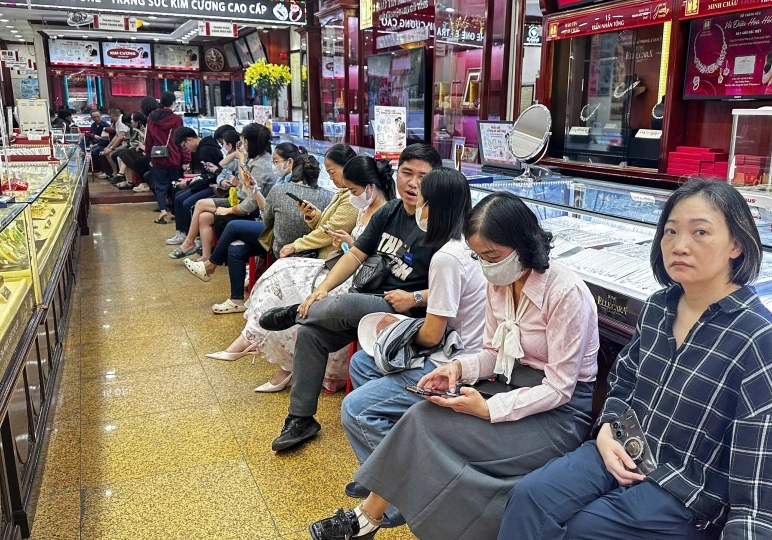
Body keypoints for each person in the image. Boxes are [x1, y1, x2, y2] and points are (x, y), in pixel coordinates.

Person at [499, 179, 772, 540]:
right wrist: (608, 429)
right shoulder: (659, 306)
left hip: (685, 490)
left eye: (700, 232)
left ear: (736, 244)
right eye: (670, 231)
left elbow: (762, 463)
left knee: (582, 530)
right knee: (529, 497)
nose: (679, 245)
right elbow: (624, 380)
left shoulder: (757, 336)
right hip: (627, 448)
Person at [307, 191, 599, 540]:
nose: (486, 266)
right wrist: (457, 370)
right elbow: (492, 353)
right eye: (479, 257)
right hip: (510, 383)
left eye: (492, 256)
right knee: (421, 415)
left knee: (439, 435)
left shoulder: (565, 293)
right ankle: (369, 517)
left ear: (523, 243)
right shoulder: (500, 284)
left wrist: (489, 409)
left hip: (559, 415)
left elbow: (559, 388)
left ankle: (368, 520)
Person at [255, 144, 443, 452]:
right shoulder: (390, 212)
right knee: (312, 333)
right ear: (396, 174)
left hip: (405, 314)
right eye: (407, 173)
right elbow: (356, 254)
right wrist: (322, 289)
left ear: (437, 180)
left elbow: (459, 284)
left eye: (423, 177)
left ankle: (296, 312)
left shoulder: (443, 224)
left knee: (346, 303)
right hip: (368, 300)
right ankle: (301, 419)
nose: (413, 183)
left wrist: (415, 297)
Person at [339, 167, 488, 527]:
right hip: (462, 346)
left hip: (456, 361)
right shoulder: (469, 246)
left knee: (356, 409)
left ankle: (397, 495)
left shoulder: (447, 257)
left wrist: (400, 336)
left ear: (432, 207)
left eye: (421, 200)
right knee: (361, 365)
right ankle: (387, 463)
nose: (416, 206)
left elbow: (432, 336)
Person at [204, 149, 390, 397]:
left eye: (334, 172)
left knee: (287, 279)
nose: (335, 180)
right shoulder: (358, 202)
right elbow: (345, 240)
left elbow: (368, 255)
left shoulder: (380, 211)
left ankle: (264, 347)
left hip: (354, 278)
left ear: (369, 186)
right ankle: (260, 343)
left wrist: (312, 244)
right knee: (282, 273)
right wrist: (335, 234)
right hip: (340, 265)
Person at [183, 129, 333, 315]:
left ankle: (211, 265)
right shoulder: (328, 195)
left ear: (291, 164)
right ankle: (235, 299)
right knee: (235, 248)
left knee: (232, 226)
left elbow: (267, 219)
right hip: (306, 246)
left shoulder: (280, 188)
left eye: (276, 161)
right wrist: (253, 188)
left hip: (280, 243)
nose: (274, 165)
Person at [169, 127, 241, 259]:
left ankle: (192, 240)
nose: (222, 148)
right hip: (221, 187)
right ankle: (198, 248)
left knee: (189, 203)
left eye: (223, 144)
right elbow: (221, 170)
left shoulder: (208, 150)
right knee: (182, 199)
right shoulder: (232, 158)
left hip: (228, 194)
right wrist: (221, 179)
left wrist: (191, 183)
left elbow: (218, 173)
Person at [146, 92, 190, 224]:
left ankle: (163, 210)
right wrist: (186, 159)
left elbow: (148, 139)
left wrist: (149, 157)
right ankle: (176, 212)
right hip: (174, 157)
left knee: (160, 186)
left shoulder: (151, 118)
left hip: (157, 157)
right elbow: (182, 140)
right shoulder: (177, 119)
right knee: (176, 186)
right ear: (173, 103)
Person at [115, 112, 148, 190]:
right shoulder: (136, 129)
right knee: (123, 154)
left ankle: (125, 177)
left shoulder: (144, 128)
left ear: (137, 121)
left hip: (145, 151)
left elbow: (144, 143)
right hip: (139, 148)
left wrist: (142, 139)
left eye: (132, 120)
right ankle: (127, 180)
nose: (131, 121)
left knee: (126, 155)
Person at [98, 108, 129, 181]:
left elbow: (120, 136)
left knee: (111, 153)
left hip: (126, 144)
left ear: (113, 115)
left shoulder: (121, 121)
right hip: (123, 143)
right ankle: (114, 173)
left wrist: (111, 149)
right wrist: (108, 147)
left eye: (110, 116)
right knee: (106, 152)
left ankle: (118, 175)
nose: (110, 118)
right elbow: (116, 136)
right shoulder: (117, 122)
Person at [86, 111, 112, 175]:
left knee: (95, 151)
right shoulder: (93, 125)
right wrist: (91, 143)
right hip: (94, 144)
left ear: (101, 116)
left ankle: (101, 170)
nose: (96, 118)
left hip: (103, 144)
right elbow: (92, 136)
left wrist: (96, 144)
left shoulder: (106, 126)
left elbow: (107, 140)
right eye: (94, 117)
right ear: (92, 118)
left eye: (98, 117)